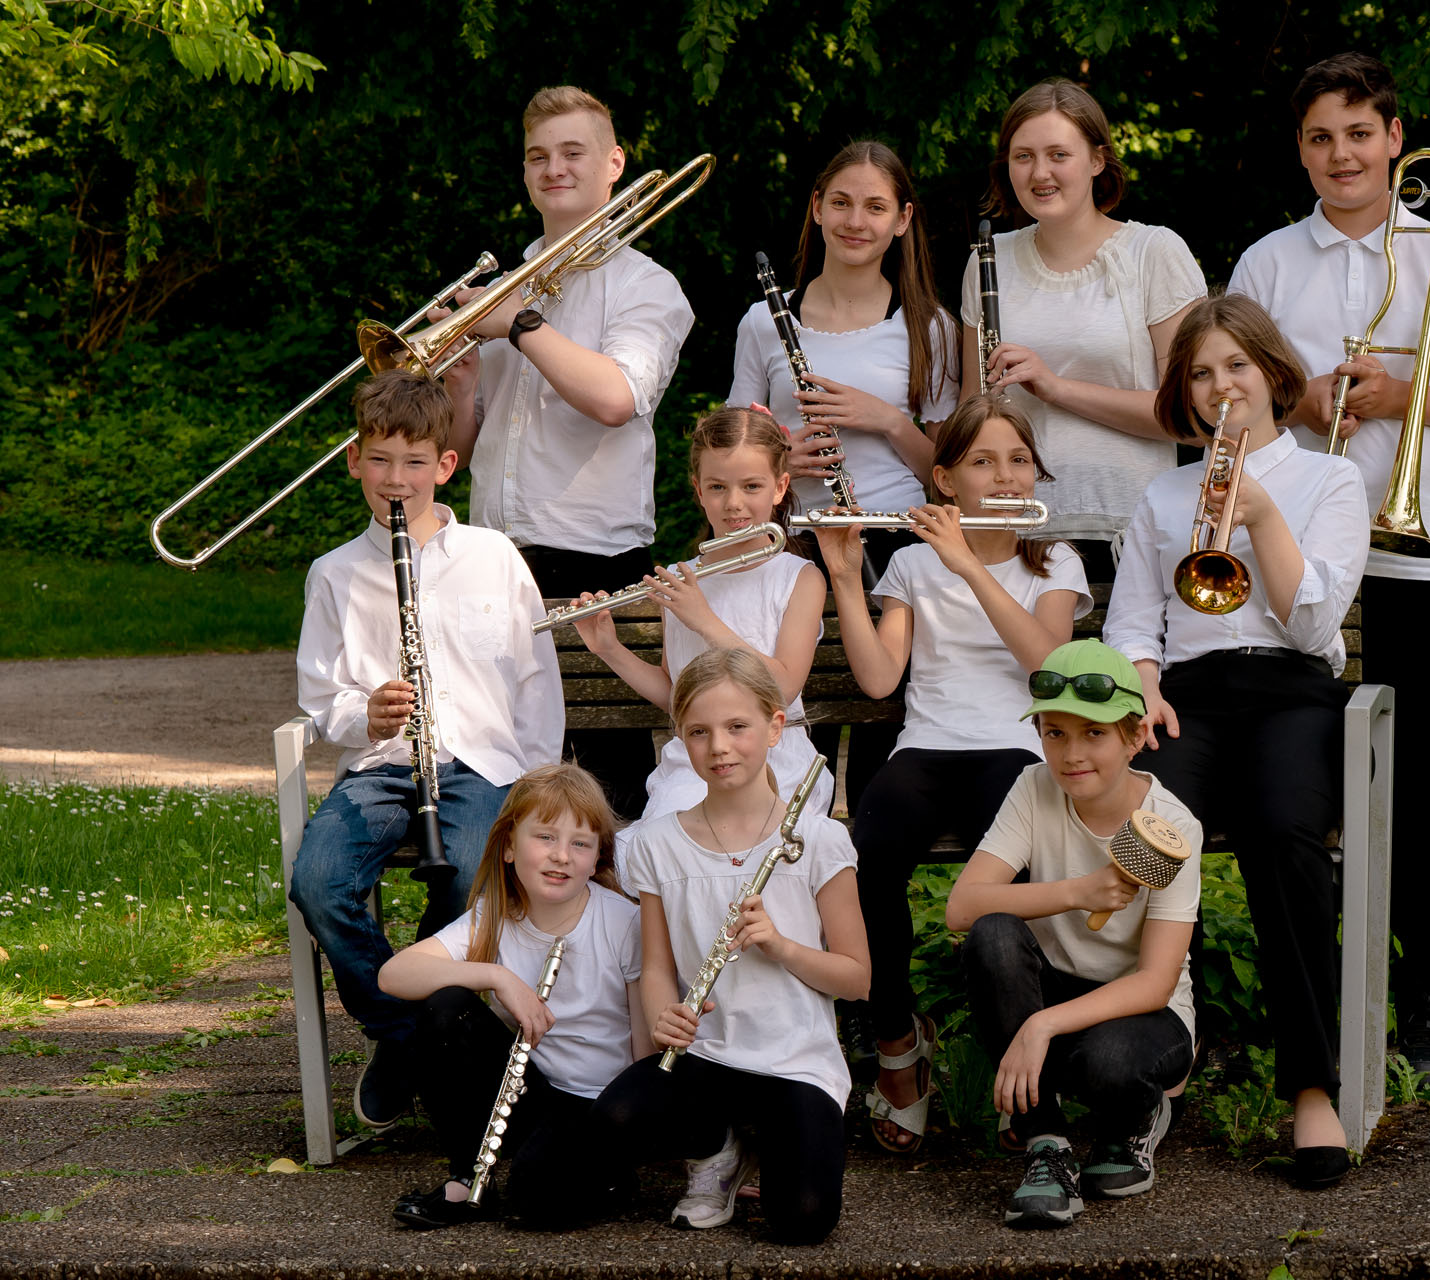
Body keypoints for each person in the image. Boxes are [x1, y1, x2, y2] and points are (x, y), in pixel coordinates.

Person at [1225, 51, 1430, 1087]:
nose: (1342, 154)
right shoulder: (1269, 263)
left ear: (1395, 139)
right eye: (1320, 137)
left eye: (1359, 133)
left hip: (1417, 558)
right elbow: (1228, 397)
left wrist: (1403, 393)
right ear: (1302, 151)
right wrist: (1305, 399)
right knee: (1297, 782)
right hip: (1295, 558)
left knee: (1415, 786)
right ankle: (1314, 997)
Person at [1104, 294, 1370, 1188]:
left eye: (1237, 367)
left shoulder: (1330, 479)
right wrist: (1142, 686)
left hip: (1293, 689)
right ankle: (1135, 1075)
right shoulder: (1164, 491)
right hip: (1193, 697)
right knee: (1143, 842)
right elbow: (1135, 624)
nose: (1222, 386)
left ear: (1272, 373)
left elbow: (1314, 626)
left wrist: (1259, 517)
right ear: (1186, 389)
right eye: (1203, 371)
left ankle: (1311, 1088)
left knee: (1286, 837)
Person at [290, 369, 563, 1140]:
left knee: (475, 885)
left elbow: (534, 678)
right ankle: (403, 1033)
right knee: (318, 882)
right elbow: (323, 697)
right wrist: (365, 712)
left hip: (480, 764)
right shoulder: (336, 573)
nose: (396, 480)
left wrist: (538, 783)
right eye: (380, 461)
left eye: (415, 463)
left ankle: (429, 1019)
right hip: (385, 765)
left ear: (446, 465)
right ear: (355, 462)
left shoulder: (493, 555)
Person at [813, 397, 1091, 1155]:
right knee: (861, 867)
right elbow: (878, 681)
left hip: (1016, 749)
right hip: (927, 748)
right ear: (944, 481)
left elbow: (1049, 671)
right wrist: (844, 576)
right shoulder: (909, 561)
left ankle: (1021, 1067)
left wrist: (969, 562)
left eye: (1018, 459)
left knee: (1004, 906)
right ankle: (900, 1042)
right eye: (982, 461)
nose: (1004, 475)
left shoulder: (1055, 561)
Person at [438, 85, 697, 816]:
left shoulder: (647, 287)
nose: (554, 168)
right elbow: (463, 446)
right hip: (491, 553)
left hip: (593, 562)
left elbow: (616, 397)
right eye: (538, 157)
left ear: (614, 163)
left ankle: (623, 926)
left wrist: (516, 323)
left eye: (573, 152)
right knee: (500, 765)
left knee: (608, 785)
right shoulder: (500, 290)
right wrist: (460, 385)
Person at [592, 647, 870, 1244]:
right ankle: (715, 1147)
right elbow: (659, 965)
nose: (719, 746)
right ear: (681, 741)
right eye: (699, 732)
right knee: (616, 1119)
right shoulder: (657, 844)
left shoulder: (817, 840)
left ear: (775, 728)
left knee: (802, 1221)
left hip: (794, 1060)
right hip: (707, 1058)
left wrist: (782, 946)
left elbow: (857, 978)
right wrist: (665, 1015)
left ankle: (772, 1137)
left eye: (738, 727)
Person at [728, 138, 962, 815]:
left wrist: (887, 420)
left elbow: (945, 477)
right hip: (792, 544)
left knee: (882, 736)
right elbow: (732, 446)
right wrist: (778, 461)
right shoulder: (763, 323)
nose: (857, 220)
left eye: (875, 206)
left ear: (903, 219)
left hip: (892, 547)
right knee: (793, 731)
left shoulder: (931, 328)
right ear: (818, 209)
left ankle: (864, 893)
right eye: (842, 203)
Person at [945, 639, 1203, 1228]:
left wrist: (1041, 1024)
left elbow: (1157, 982)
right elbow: (962, 907)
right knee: (993, 935)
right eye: (1054, 732)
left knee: (1108, 1065)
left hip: (1138, 1012)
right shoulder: (1034, 788)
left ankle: (1138, 1115)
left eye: (1094, 734)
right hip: (1058, 992)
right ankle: (1047, 1146)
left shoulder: (1171, 826)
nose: (1070, 754)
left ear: (1136, 736)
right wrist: (1078, 891)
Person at [959, 79, 1207, 581]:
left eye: (1058, 154)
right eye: (1023, 156)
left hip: (1126, 533)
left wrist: (1055, 387)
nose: (1040, 172)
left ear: (1097, 160)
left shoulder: (1154, 253)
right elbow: (971, 415)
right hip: (1014, 535)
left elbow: (1192, 418)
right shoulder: (988, 261)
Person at [377, 763, 640, 1230]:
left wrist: (630, 1132)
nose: (561, 856)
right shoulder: (496, 915)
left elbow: (644, 1047)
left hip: (598, 1103)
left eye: (579, 843)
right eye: (545, 838)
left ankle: (606, 1175)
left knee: (538, 1205)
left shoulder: (624, 923)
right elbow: (395, 974)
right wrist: (497, 975)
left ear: (598, 857)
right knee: (446, 1007)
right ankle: (467, 1173)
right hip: (530, 1094)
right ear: (507, 849)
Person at [568, 407, 830, 825]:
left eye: (752, 486)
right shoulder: (681, 578)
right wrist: (608, 649)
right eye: (717, 487)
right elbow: (678, 697)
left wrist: (703, 619)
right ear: (698, 489)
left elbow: (780, 688)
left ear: (780, 487)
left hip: (773, 755)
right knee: (667, 839)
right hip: (694, 757)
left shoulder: (800, 578)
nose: (734, 503)